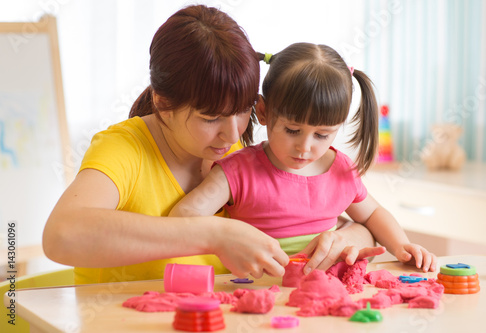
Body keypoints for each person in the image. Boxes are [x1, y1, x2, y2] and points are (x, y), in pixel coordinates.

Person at [42, 6, 376, 284]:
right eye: (210, 118)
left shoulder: (237, 156)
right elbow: (61, 235)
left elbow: (334, 215)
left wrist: (351, 239)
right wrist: (211, 234)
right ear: (163, 103)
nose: (232, 135)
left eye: (243, 111)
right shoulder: (125, 149)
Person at [169, 43, 438, 274]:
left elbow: (373, 214)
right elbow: (184, 215)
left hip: (327, 296)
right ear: (263, 112)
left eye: (322, 135)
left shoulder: (341, 169)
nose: (304, 147)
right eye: (292, 130)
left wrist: (402, 246)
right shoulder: (238, 170)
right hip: (258, 293)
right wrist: (227, 238)